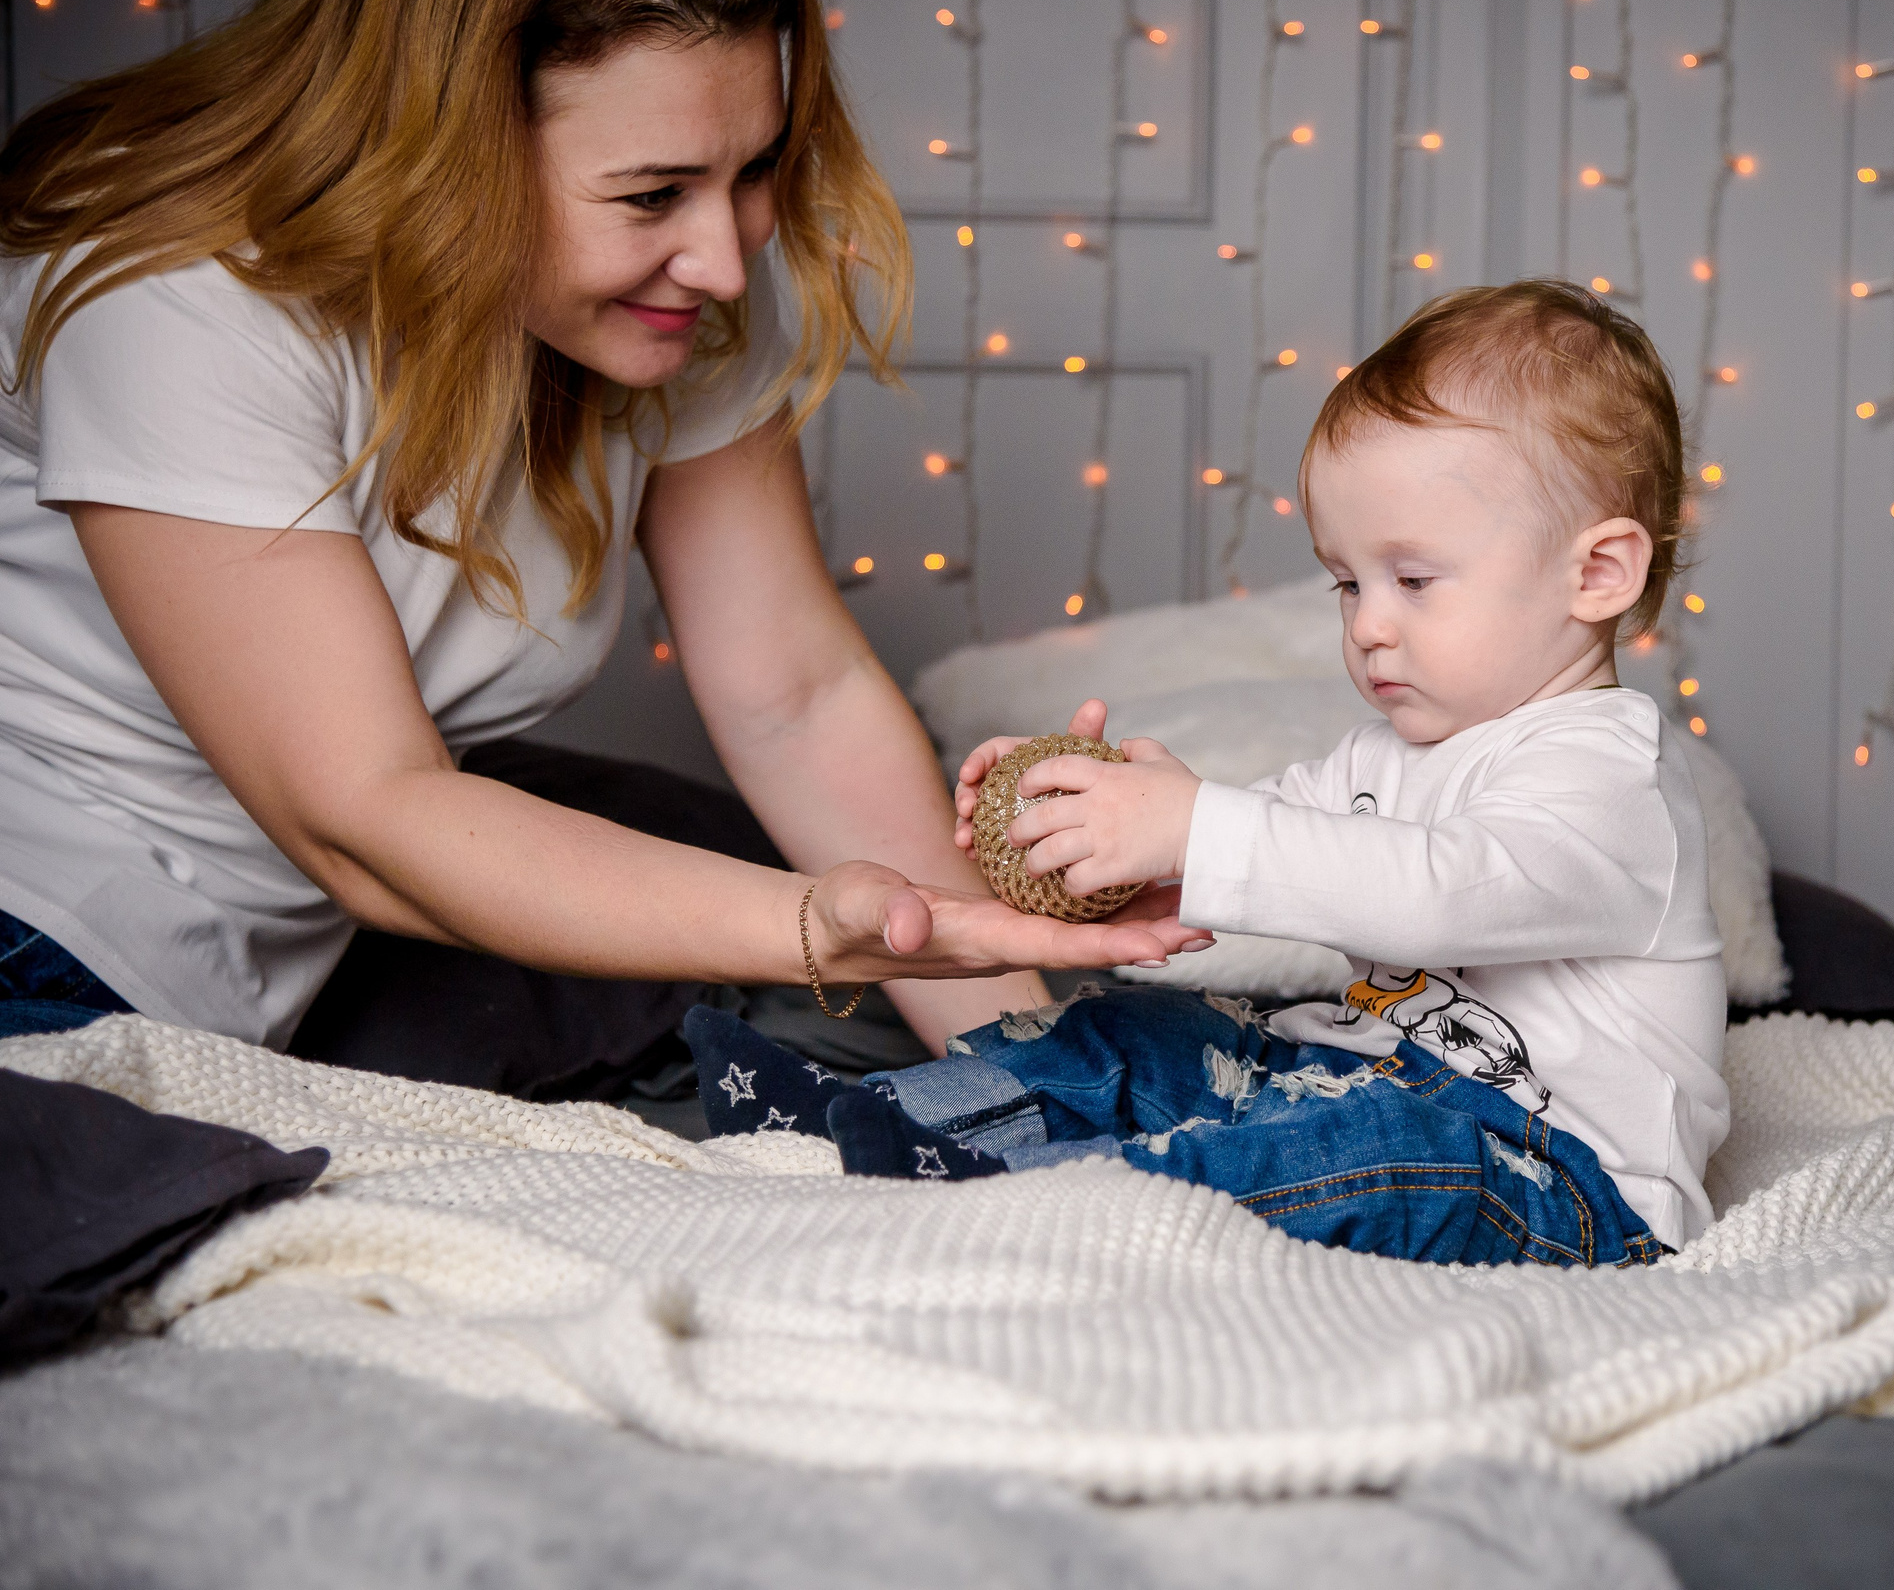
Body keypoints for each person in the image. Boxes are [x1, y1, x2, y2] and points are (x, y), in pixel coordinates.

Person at [0, 0, 1205, 1085]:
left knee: (766, 876)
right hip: (55, 929)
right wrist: (811, 927)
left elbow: (795, 694)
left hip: (318, 925)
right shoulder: (171, 293)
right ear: (448, 145)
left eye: (757, 168)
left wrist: (1029, 1059)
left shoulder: (679, 291)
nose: (727, 261)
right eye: (649, 196)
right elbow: (363, 815)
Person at [683, 282, 1729, 1264]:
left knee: (1328, 1156)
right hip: (1359, 1080)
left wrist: (1201, 828)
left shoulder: (1615, 782)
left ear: (1597, 572)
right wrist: (1123, 845)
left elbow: (1445, 890)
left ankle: (1028, 1202)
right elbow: (1283, 852)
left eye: (1412, 579)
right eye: (1345, 581)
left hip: (1557, 1180)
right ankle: (877, 1123)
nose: (1367, 623)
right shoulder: (1388, 752)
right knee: (1136, 1034)